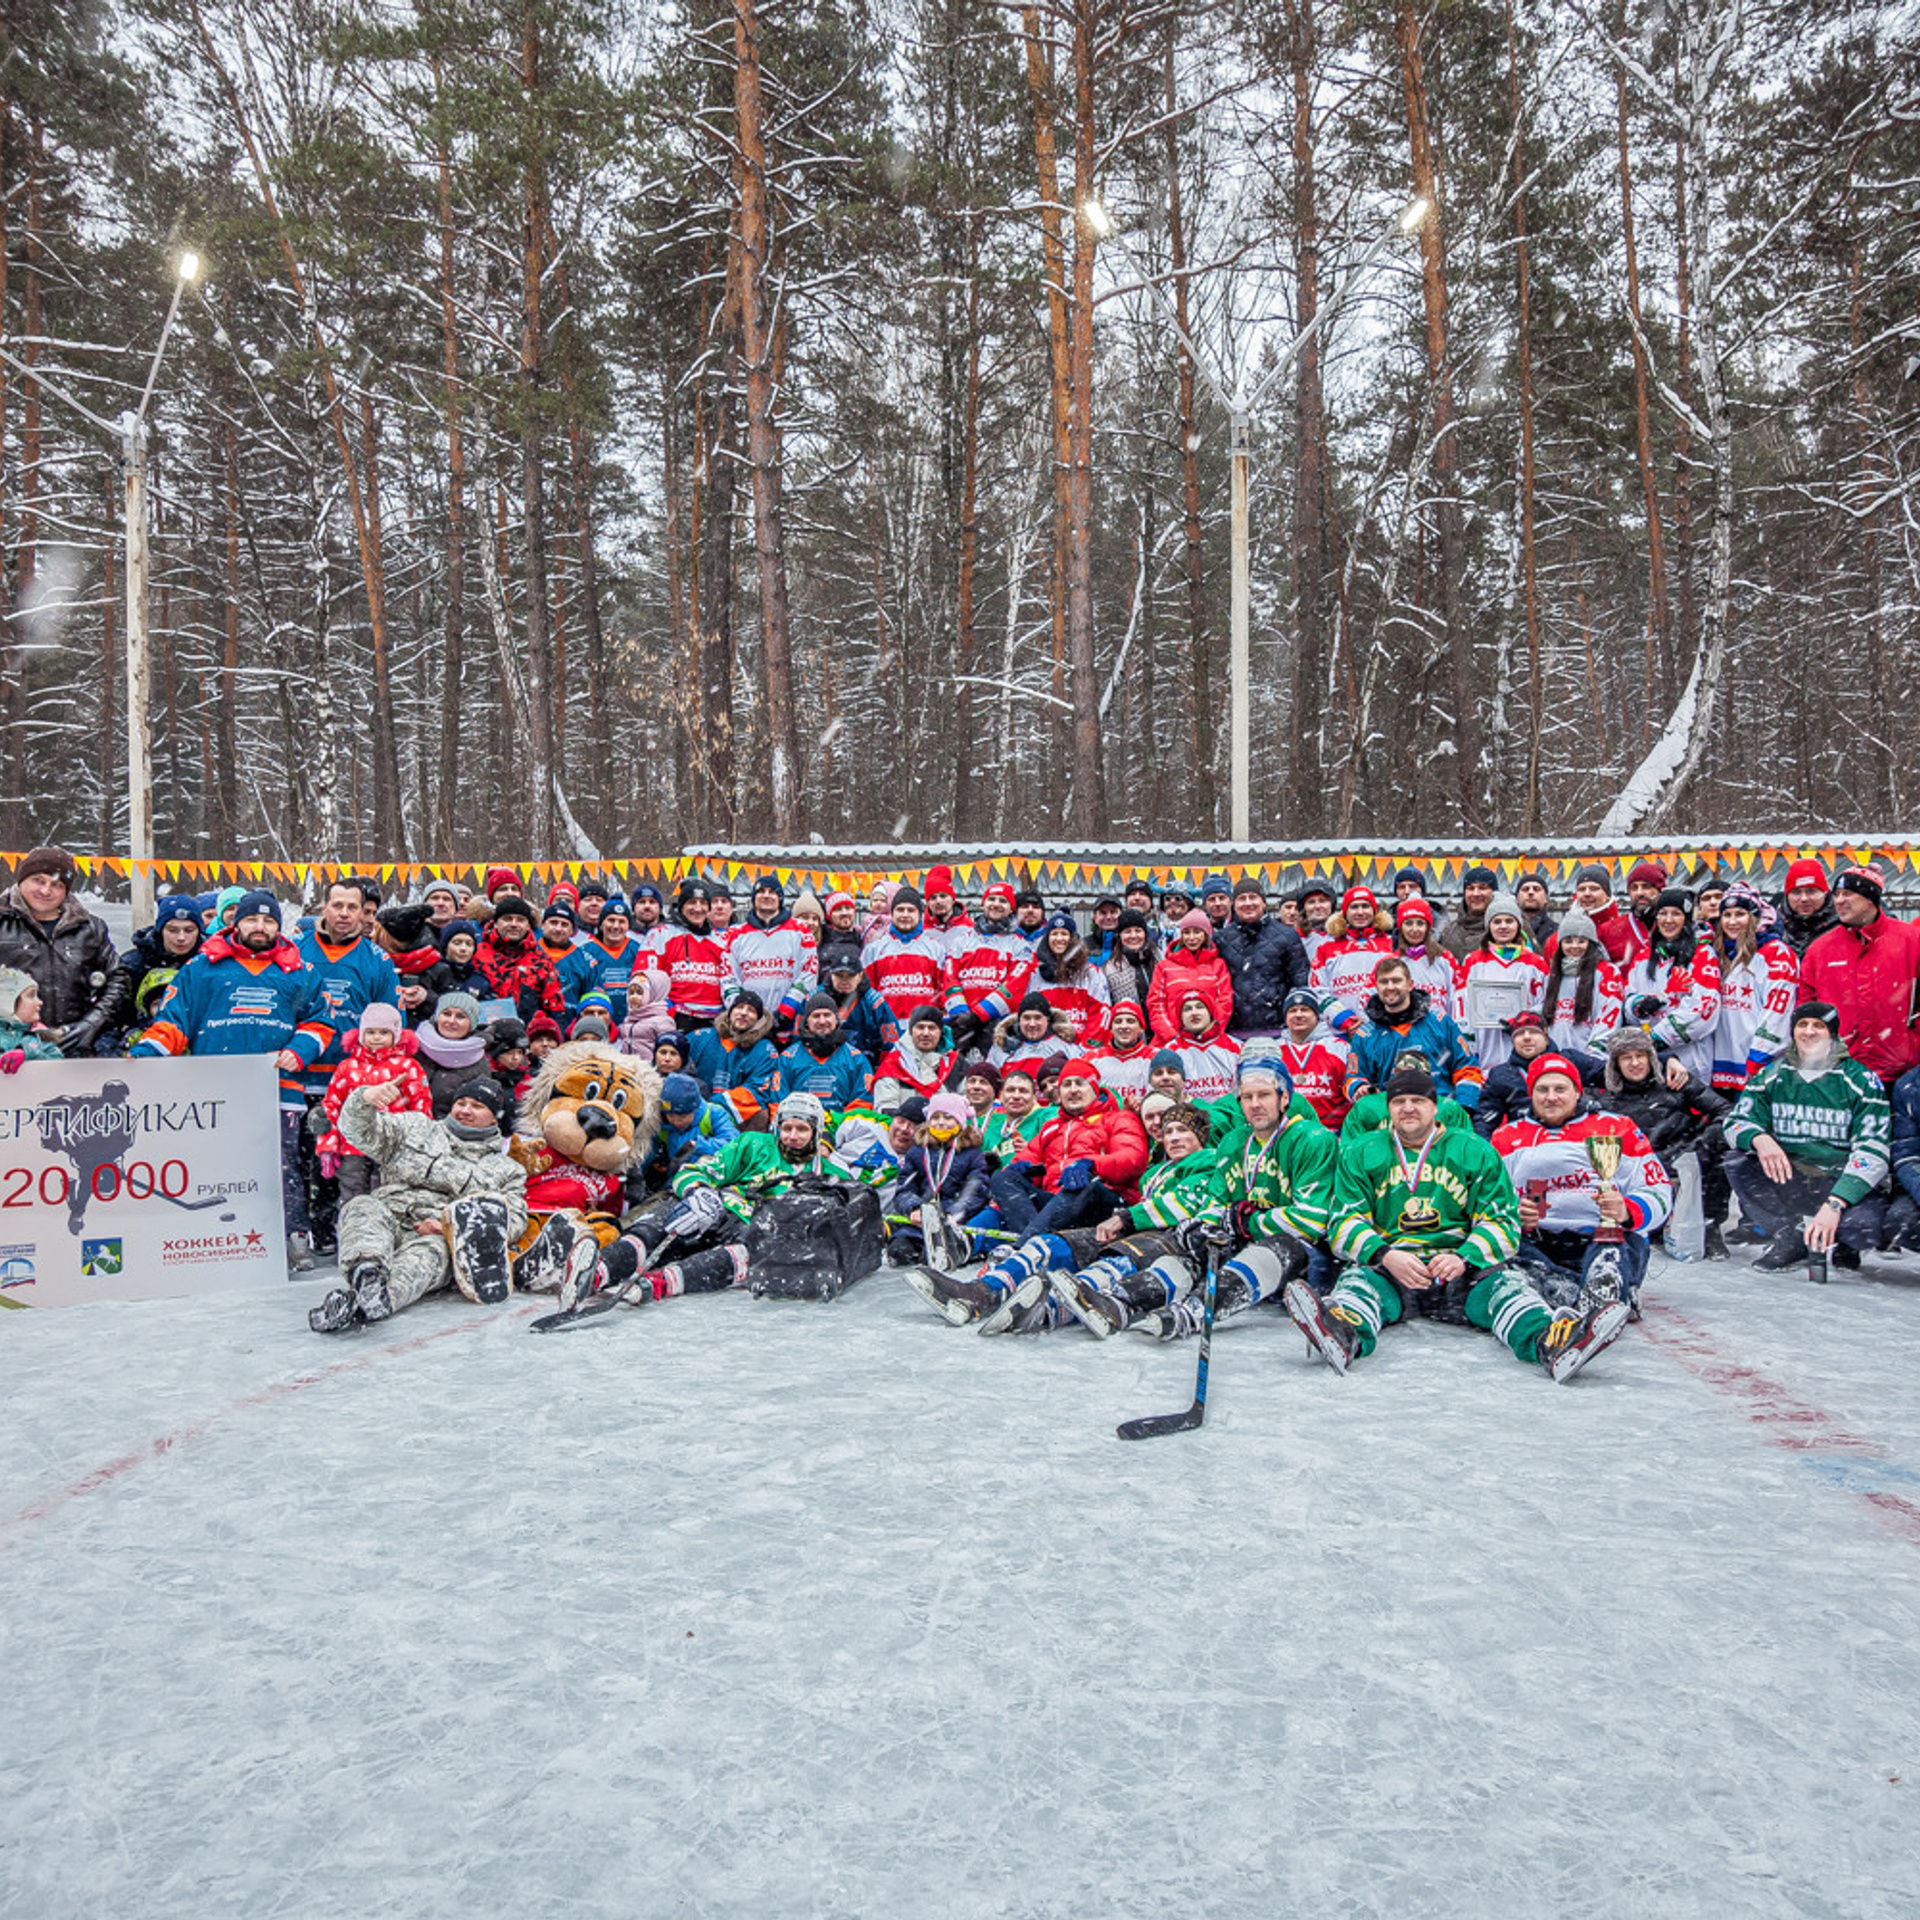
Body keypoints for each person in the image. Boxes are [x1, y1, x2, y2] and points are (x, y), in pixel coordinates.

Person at [1290, 1066, 1626, 1383]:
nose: (1408, 1108)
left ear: (1435, 1107)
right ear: (1388, 1108)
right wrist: (1385, 1255)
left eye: (1418, 1100)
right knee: (1358, 1284)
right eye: (1399, 1102)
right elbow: (1343, 1221)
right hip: (1390, 1270)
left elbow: (1502, 1220)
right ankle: (1343, 1333)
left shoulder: (1473, 1150)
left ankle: (1550, 1341)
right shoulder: (1360, 1152)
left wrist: (1464, 1257)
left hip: (1460, 1272)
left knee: (1507, 1288)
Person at [132, 891, 337, 1267]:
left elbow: (321, 1022)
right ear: (235, 923)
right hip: (215, 1091)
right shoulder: (201, 968)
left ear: (278, 926)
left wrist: (299, 1050)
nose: (261, 928)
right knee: (216, 1163)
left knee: (284, 1164)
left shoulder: (301, 972)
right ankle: (215, 1236)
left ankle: (293, 1236)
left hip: (278, 1088)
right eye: (252, 920)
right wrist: (147, 1055)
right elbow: (175, 1020)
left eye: (269, 921)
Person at [568, 1090, 875, 1310]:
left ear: (816, 1131)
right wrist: (698, 1192)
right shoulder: (753, 1144)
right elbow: (697, 1170)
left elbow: (855, 1222)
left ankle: (657, 1284)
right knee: (666, 1219)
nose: (792, 1135)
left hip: (755, 1232)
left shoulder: (831, 1174)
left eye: (802, 1129)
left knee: (751, 1251)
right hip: (716, 1210)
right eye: (787, 1127)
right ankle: (595, 1273)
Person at [910, 1059, 1147, 1321]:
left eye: (1080, 1083)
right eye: (1066, 1084)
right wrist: (1020, 1168)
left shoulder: (1117, 1118)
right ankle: (962, 1242)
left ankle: (1018, 1250)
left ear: (1094, 1087)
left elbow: (1133, 1159)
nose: (1073, 1090)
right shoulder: (1053, 1126)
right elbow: (1028, 1158)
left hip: (1104, 1203)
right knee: (1003, 1178)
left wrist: (1092, 1163)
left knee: (1082, 1185)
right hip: (1060, 1205)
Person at [307, 1078, 529, 1333]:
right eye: (461, 1102)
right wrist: (364, 1099)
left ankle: (375, 1300)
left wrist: (450, 1228)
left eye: (477, 1106)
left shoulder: (506, 1170)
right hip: (389, 1215)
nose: (465, 1110)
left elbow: (512, 1219)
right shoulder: (415, 1127)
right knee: (362, 1206)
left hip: (435, 1233)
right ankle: (366, 1273)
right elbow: (360, 1132)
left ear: (494, 1118)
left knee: (430, 1256)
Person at [1492, 1051, 1670, 1315]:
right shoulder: (1506, 1136)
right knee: (1506, 1257)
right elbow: (1489, 1201)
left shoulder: (1617, 1127)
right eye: (1542, 1089)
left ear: (1577, 1091)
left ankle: (1597, 1292)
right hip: (1539, 1243)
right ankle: (1587, 1295)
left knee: (1612, 1253)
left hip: (1603, 1238)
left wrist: (1627, 1210)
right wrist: (1512, 1216)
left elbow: (1659, 1190)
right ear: (1531, 1093)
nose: (1551, 1097)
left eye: (1560, 1088)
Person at [1723, 1003, 1891, 1271]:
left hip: (1838, 1179)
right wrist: (1758, 1137)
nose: (1809, 1031)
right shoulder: (1773, 1074)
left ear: (1832, 1033)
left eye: (1818, 1026)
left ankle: (1841, 1241)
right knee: (1737, 1161)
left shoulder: (1861, 1081)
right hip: (1793, 1175)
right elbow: (1735, 1122)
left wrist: (1836, 1202)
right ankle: (1792, 1235)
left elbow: (1874, 1153)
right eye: (1802, 1025)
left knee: (1861, 1229)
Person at [1593, 1028, 1732, 1258]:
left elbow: (1725, 1111)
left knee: (1721, 1149)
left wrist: (1699, 1145)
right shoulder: (1606, 1100)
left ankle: (1710, 1225)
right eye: (1627, 1057)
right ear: (1616, 1064)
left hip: (1684, 1160)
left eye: (1641, 1055)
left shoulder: (1677, 1082)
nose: (1635, 1063)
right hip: (1641, 1173)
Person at [1798, 865, 1920, 1089]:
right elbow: (1805, 1008)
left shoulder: (1911, 940)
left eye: (1847, 893)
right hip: (1839, 1071)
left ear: (1870, 899)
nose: (1839, 901)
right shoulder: (1820, 949)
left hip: (1901, 1074)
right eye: (1836, 895)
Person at [0, 846, 129, 1056]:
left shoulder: (90, 928)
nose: (45, 891)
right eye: (38, 880)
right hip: (9, 1055)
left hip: (74, 1050)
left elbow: (118, 980)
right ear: (21, 879)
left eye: (56, 884)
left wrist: (90, 1025)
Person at [316, 1003, 433, 1202]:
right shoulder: (347, 1067)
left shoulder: (408, 1067)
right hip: (353, 1146)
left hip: (391, 1146)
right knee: (352, 1192)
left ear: (396, 1035)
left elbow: (420, 1106)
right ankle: (351, 1230)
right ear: (361, 1034)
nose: (376, 1037)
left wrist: (419, 1145)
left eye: (383, 1032)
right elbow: (332, 1106)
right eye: (371, 1032)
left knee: (389, 1193)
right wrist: (328, 1146)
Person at [1341, 954, 1481, 1107]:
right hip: (1390, 1117)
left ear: (1410, 984)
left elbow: (1467, 1068)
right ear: (1376, 987)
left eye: (1396, 981)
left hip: (1441, 1112)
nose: (1390, 987)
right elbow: (1352, 1079)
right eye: (1384, 982)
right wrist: (1359, 1088)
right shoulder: (1365, 1035)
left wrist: (1463, 1108)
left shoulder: (1441, 1023)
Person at [1624, 889, 1722, 1086]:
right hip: (1648, 1059)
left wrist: (1656, 1038)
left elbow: (1705, 1007)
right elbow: (1628, 996)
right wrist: (1639, 1006)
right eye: (1663, 913)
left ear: (1686, 918)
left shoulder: (1702, 954)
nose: (1668, 920)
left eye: (1676, 914)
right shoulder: (1644, 956)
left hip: (1689, 1058)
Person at [1710, 882, 1798, 1093]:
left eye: (1740, 914)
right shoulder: (1719, 954)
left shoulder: (1775, 953)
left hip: (1758, 1064)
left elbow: (1778, 1012)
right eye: (1727, 915)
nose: (1732, 922)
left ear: (1755, 918)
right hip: (1722, 1063)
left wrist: (1760, 1055)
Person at [1453, 892, 1549, 1074]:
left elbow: (1543, 1003)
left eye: (1509, 921)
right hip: (1485, 1038)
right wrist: (1468, 1038)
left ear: (1518, 925)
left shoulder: (1535, 962)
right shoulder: (1473, 960)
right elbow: (1461, 1003)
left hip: (1521, 1037)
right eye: (1497, 922)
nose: (1503, 926)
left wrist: (1520, 1020)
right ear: (1488, 926)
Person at [892, 1091, 991, 1263]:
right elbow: (904, 1187)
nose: (941, 1122)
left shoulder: (972, 1154)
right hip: (921, 1220)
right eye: (935, 1117)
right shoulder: (917, 1151)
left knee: (932, 1258)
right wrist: (913, 1208)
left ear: (959, 1121)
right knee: (899, 1252)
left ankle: (956, 1251)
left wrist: (955, 1213)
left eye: (948, 1117)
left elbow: (976, 1190)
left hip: (952, 1222)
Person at [1471, 1011, 1602, 1138]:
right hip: (1524, 1144)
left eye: (1534, 1032)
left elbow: (1611, 1075)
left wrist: (1599, 1105)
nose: (1527, 1037)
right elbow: (1484, 1121)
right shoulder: (1501, 1075)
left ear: (1546, 1038)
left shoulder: (1571, 1060)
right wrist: (1485, 1154)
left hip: (1575, 1136)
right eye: (1519, 1034)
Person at [1215, 876, 1310, 1039]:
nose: (1247, 903)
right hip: (1234, 1032)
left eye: (1253, 897)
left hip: (1278, 1030)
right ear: (1234, 905)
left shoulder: (1288, 936)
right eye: (1241, 899)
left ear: (1264, 902)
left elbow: (1300, 981)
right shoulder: (1221, 939)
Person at [946, 881, 1037, 1049]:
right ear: (983, 904)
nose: (996, 904)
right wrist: (961, 1013)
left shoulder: (1020, 945)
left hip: (998, 1027)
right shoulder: (962, 941)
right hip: (961, 1024)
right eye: (991, 899)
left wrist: (978, 1015)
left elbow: (1014, 986)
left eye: (1002, 901)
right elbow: (950, 978)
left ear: (1011, 909)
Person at [726, 875, 818, 1029]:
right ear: (754, 898)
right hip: (748, 1021)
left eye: (772, 892)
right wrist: (742, 1010)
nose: (766, 895)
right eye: (761, 891)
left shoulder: (801, 930)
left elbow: (809, 971)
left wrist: (790, 1005)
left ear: (780, 898)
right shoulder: (735, 933)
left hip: (789, 1017)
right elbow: (728, 976)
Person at [687, 988, 782, 1126]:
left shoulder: (764, 1049)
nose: (744, 1013)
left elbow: (757, 1090)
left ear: (759, 1019)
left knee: (760, 1115)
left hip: (734, 1117)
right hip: (692, 1110)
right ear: (730, 1012)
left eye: (751, 1010)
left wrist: (713, 1105)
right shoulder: (701, 1036)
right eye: (739, 1007)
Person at [861, 885, 952, 1025]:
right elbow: (865, 995)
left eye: (911, 910)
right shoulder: (873, 949)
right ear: (892, 913)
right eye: (900, 910)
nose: (905, 915)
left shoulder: (936, 949)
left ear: (920, 914)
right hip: (885, 1031)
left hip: (923, 1031)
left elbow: (943, 992)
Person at [1541, 909, 1624, 1054]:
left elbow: (1610, 1016)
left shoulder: (1606, 972)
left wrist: (1594, 1054)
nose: (1574, 946)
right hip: (1555, 1058)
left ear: (1591, 943)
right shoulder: (1553, 975)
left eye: (1581, 941)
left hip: (1590, 1059)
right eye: (1568, 941)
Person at [474, 896, 566, 1024]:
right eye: (507, 919)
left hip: (528, 1035)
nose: (514, 924)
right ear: (495, 923)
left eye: (520, 920)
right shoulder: (476, 955)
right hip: (482, 1033)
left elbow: (555, 1008)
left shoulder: (541, 961)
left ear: (528, 925)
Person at [642, 1072, 741, 1189]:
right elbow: (648, 1150)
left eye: (682, 1117)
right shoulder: (662, 1124)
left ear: (695, 1108)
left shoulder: (714, 1115)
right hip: (674, 1180)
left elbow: (734, 1145)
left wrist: (698, 1145)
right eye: (671, 1116)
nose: (676, 1121)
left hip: (711, 1179)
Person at [558, 895, 645, 1025]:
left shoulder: (639, 951)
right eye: (611, 920)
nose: (616, 926)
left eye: (621, 921)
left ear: (628, 926)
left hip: (633, 1024)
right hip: (594, 1023)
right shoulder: (584, 953)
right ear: (601, 923)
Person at [1276, 988, 1355, 1131]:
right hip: (1284, 1134)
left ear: (1317, 1015)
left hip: (1331, 1133)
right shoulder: (1273, 1050)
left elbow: (1352, 1086)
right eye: (1292, 1010)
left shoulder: (1339, 1048)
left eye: (1305, 1009)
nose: (1298, 1015)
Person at [1145, 909, 1231, 1040]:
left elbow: (1225, 1002)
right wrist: (1172, 1036)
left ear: (1206, 934)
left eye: (1197, 932)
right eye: (1186, 932)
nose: (1191, 938)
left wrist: (1211, 1031)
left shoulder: (1218, 965)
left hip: (1210, 1040)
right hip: (1171, 1040)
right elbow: (1156, 1004)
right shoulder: (1165, 966)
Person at [1309, 886, 1396, 1012]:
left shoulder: (1391, 943)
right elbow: (1317, 988)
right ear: (1345, 912)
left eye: (1365, 906)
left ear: (1374, 911)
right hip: (1339, 1026)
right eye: (1354, 907)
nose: (1360, 912)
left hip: (1382, 1024)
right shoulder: (1326, 947)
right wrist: (1341, 1018)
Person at [1032, 911, 1112, 1043]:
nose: (1059, 938)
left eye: (1064, 934)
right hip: (1045, 1050)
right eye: (1054, 934)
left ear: (1073, 938)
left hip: (1083, 1050)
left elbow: (1101, 1014)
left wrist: (1087, 1048)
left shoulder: (1091, 973)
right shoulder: (1035, 973)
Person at [415, 992, 497, 1117]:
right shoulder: (414, 1047)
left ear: (472, 1023)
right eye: (446, 1014)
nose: (451, 1021)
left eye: (460, 1016)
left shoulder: (478, 1061)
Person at [659, 882, 726, 1030]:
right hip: (676, 1017)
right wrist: (666, 1008)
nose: (697, 908)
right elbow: (648, 978)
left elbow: (730, 977)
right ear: (681, 906)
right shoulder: (662, 934)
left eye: (703, 903)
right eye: (691, 902)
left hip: (713, 1019)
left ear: (709, 908)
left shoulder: (721, 939)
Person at [1162, 988, 1243, 1103]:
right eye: (1187, 1009)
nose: (1194, 1013)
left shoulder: (1236, 1047)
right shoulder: (1170, 1051)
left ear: (1210, 1012)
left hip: (1228, 1117)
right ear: (1180, 1017)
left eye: (1199, 1006)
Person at [123, 895, 204, 1010]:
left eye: (189, 930)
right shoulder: (133, 964)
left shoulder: (211, 960)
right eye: (173, 930)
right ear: (160, 930)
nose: (181, 937)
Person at [873, 1005, 955, 1110]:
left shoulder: (955, 1064)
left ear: (940, 1032)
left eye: (932, 1028)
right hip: (905, 1125)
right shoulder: (893, 1064)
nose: (926, 1033)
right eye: (920, 1027)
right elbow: (884, 1108)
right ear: (911, 1031)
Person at [1566, 863, 1646, 966]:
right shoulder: (1562, 934)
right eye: (1582, 889)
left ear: (1607, 895)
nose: (1587, 893)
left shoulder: (1624, 931)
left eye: (1594, 889)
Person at [987, 991, 1079, 1080]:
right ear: (1019, 1021)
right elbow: (990, 1083)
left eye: (1038, 1018)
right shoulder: (1001, 1048)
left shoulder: (1066, 1047)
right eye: (1026, 1018)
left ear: (1047, 1020)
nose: (1032, 1024)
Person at [1389, 897, 1455, 1000]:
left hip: (1440, 1016)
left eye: (1420, 923)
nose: (1414, 929)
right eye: (1409, 923)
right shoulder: (1392, 961)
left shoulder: (1445, 958)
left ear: (1428, 928)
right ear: (1401, 928)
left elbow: (1457, 996)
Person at [0, 965, 66, 1069]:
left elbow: (60, 1068)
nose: (40, 1002)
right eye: (31, 996)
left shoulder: (41, 1038)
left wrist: (28, 1053)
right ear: (8, 1002)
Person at [981, 1067, 1049, 1166]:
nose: (1016, 1096)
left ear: (1034, 1099)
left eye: (1023, 1091)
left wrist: (1033, 1153)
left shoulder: (1043, 1121)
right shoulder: (987, 1126)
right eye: (1010, 1090)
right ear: (1001, 1097)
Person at [1775, 858, 1838, 960]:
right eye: (1796, 892)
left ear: (1824, 893)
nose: (1804, 898)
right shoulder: (1774, 927)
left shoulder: (1844, 926)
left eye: (1811, 891)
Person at [1102, 908, 1159, 1014]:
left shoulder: (1159, 960)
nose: (1133, 936)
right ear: (1120, 936)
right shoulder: (1109, 969)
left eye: (1138, 930)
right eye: (1127, 932)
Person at [1437, 864, 1499, 962]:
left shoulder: (1509, 927)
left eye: (1482, 888)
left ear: (1494, 893)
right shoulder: (1449, 931)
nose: (1476, 893)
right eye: (1471, 888)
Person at [919, 865, 974, 957]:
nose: (938, 901)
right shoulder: (921, 930)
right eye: (933, 898)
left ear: (952, 899)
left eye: (943, 896)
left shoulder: (970, 927)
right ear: (927, 903)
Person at [436, 920, 487, 997]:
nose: (463, 948)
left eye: (469, 944)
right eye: (457, 943)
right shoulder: (433, 975)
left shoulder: (480, 981)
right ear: (445, 947)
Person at [1515, 873, 1558, 947]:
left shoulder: (1556, 932)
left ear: (1546, 899)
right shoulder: (1507, 930)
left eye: (1536, 889)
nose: (1530, 892)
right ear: (1517, 899)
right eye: (1525, 889)